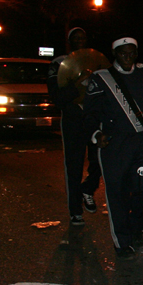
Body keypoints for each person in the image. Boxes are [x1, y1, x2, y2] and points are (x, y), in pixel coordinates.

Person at [83, 37, 143, 259]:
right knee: (117, 194)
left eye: (132, 53)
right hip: (115, 144)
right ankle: (122, 243)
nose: (128, 57)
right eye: (123, 53)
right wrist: (96, 135)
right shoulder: (101, 78)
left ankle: (136, 230)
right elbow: (89, 114)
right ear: (115, 54)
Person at [47, 27, 102, 227]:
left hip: (93, 119)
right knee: (74, 166)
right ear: (69, 41)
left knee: (100, 160)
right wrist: (78, 84)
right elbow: (57, 97)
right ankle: (75, 211)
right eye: (75, 38)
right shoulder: (58, 63)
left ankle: (87, 189)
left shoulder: (95, 61)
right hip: (73, 120)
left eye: (82, 37)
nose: (80, 40)